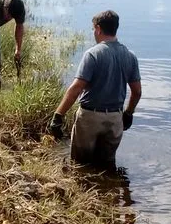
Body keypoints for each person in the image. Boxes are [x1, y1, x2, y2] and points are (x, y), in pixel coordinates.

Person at [49, 10, 142, 166]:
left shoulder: (93, 54)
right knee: (107, 165)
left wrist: (58, 115)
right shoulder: (130, 56)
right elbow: (137, 92)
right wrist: (128, 114)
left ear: (98, 28)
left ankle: (85, 188)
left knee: (80, 164)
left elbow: (76, 88)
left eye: (93, 29)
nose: (94, 32)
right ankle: (108, 188)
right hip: (115, 118)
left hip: (90, 118)